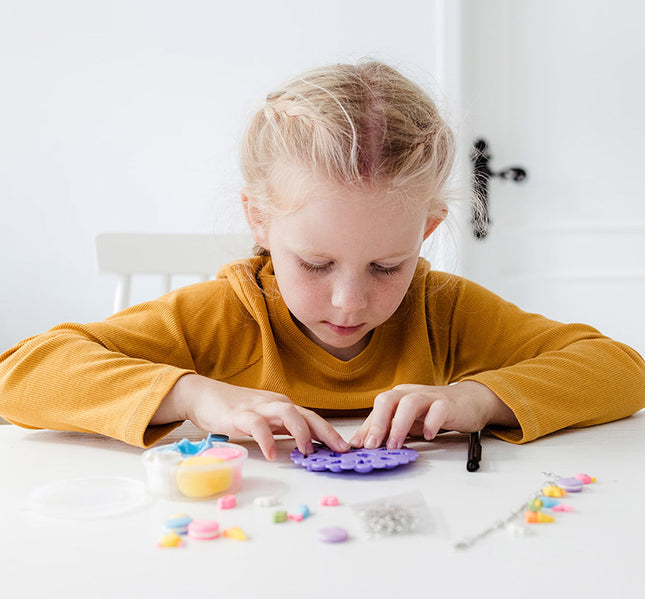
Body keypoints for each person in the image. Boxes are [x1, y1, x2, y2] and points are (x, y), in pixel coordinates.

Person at [1, 61, 643, 461]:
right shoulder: (221, 317)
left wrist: (481, 399)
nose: (349, 302)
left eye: (387, 267)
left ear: (427, 230)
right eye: (313, 264)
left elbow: (623, 371)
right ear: (259, 220)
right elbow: (18, 375)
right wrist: (195, 396)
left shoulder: (444, 313)